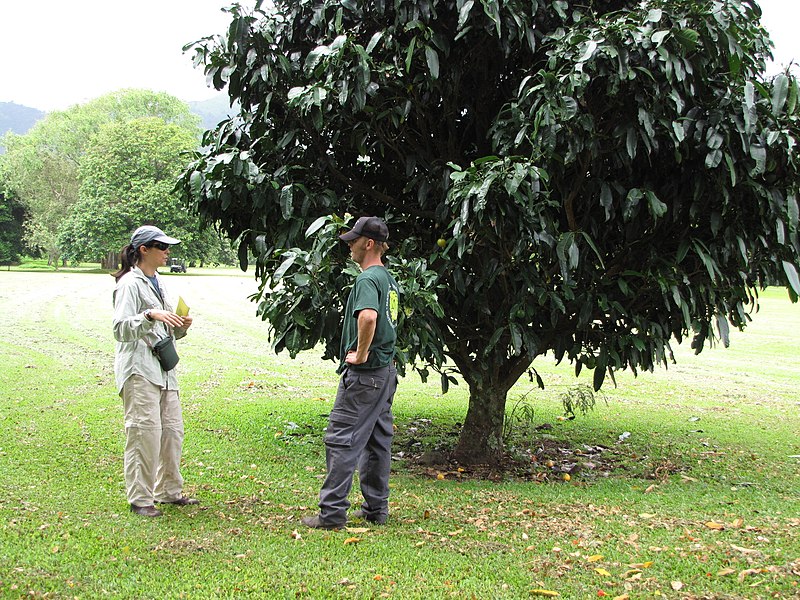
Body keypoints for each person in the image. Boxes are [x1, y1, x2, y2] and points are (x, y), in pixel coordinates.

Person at [302, 216, 401, 529]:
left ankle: (331, 515)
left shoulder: (368, 279)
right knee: (377, 441)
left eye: (354, 240)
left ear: (368, 244)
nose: (349, 245)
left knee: (341, 439)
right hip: (385, 373)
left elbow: (369, 318)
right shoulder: (389, 279)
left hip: (365, 376)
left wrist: (359, 353)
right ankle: (376, 511)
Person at [112, 225, 198, 517]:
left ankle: (168, 492)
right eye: (161, 246)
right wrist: (149, 315)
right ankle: (140, 499)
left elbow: (166, 330)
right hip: (139, 370)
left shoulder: (159, 282)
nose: (167, 251)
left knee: (172, 432)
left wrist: (180, 326)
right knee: (144, 434)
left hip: (164, 369)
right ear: (144, 250)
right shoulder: (129, 284)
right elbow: (120, 329)